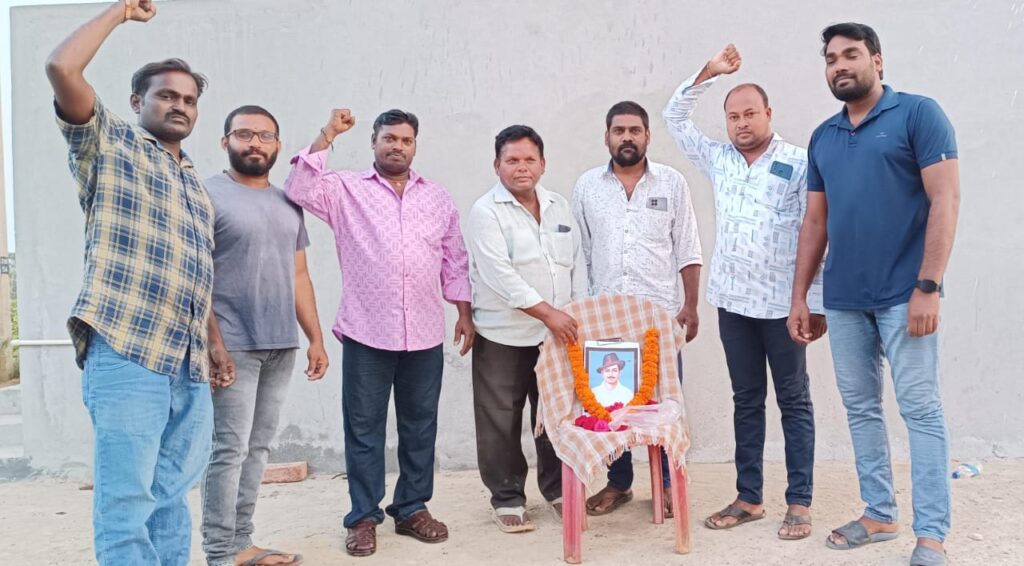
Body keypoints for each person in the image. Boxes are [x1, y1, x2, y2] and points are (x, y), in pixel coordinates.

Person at [46, 2, 214, 564]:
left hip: (188, 363)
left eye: (189, 99)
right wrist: (119, 12)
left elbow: (198, 275)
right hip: (127, 349)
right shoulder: (110, 144)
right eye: (167, 95)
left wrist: (214, 346)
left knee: (170, 498)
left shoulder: (196, 185)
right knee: (127, 501)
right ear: (138, 102)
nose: (180, 105)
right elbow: (62, 68)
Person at [789, 23, 959, 566]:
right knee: (861, 408)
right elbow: (816, 222)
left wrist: (928, 286)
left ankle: (931, 535)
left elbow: (946, 199)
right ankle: (880, 513)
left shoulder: (918, 114)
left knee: (920, 410)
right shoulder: (824, 137)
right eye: (831, 58)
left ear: (877, 61)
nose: (840, 65)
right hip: (844, 299)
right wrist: (801, 297)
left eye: (851, 55)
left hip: (906, 294)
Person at [284, 107, 474, 557]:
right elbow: (298, 187)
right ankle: (363, 517)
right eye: (389, 138)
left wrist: (464, 313)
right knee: (364, 427)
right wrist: (328, 133)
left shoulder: (437, 198)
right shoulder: (346, 189)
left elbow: (455, 258)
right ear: (374, 142)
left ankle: (411, 508)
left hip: (424, 333)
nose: (397, 146)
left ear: (415, 146)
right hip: (367, 332)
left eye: (406, 140)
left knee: (420, 426)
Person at [663, 44, 826, 540]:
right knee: (746, 400)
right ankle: (749, 497)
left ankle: (799, 501)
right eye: (733, 116)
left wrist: (813, 301)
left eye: (750, 113)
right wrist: (709, 72)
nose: (741, 123)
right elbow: (674, 117)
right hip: (732, 303)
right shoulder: (718, 159)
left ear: (769, 113)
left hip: (783, 306)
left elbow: (820, 231)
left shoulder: (800, 162)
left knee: (794, 401)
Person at [200, 105, 329, 566]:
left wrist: (314, 338)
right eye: (244, 134)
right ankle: (220, 551)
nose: (255, 143)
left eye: (265, 135)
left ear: (277, 144)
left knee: (257, 449)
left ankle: (242, 542)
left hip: (280, 343)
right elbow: (198, 275)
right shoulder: (206, 194)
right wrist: (214, 343)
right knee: (229, 449)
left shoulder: (287, 201)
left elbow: (299, 275)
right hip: (232, 343)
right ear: (225, 142)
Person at [572, 101, 702, 517]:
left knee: (664, 403)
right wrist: (582, 312)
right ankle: (619, 482)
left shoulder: (672, 183)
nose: (626, 137)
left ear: (648, 136)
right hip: (605, 318)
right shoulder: (587, 186)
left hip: (658, 318)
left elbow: (688, 247)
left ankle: (666, 484)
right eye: (619, 130)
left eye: (634, 130)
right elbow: (581, 253)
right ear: (606, 137)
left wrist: (690, 305)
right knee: (612, 403)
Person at [467, 125, 587, 533]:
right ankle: (507, 498)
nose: (522, 167)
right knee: (500, 418)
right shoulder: (486, 212)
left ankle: (557, 490)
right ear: (496, 165)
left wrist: (575, 314)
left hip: (557, 335)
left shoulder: (559, 206)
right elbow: (500, 276)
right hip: (504, 334)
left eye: (529, 159)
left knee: (555, 415)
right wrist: (550, 314)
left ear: (543, 164)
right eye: (512, 160)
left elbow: (577, 265)